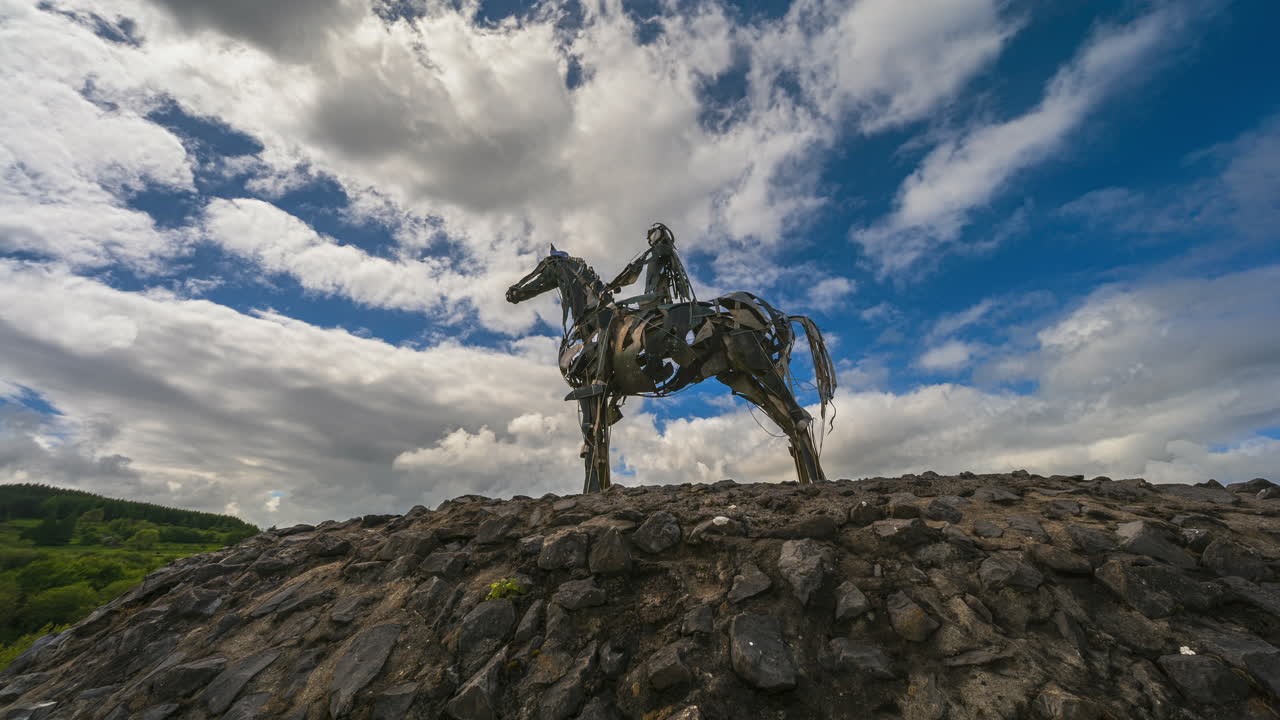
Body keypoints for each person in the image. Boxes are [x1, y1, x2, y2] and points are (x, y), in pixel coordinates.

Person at [606, 223, 695, 309]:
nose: (651, 240)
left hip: (658, 293)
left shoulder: (662, 251)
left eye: (653, 236)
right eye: (651, 238)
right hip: (654, 291)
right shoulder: (657, 253)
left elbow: (679, 274)